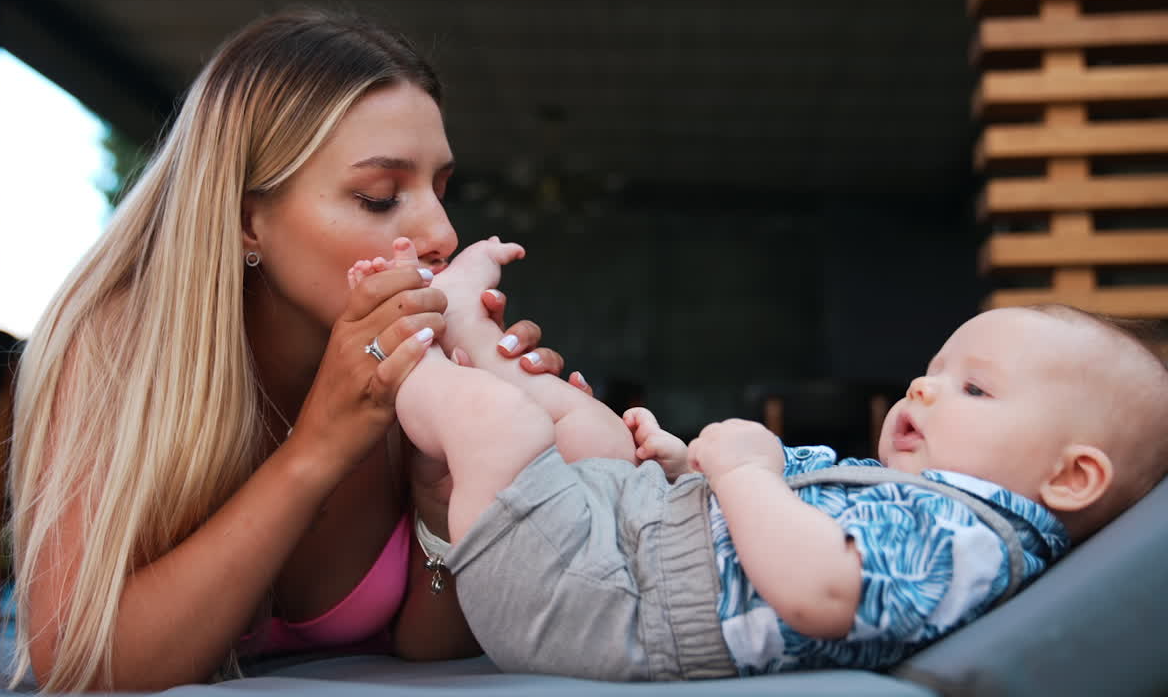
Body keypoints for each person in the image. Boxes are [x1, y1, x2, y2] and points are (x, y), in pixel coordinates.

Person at [7, 9, 591, 693]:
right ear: (247, 220)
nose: (441, 232)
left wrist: (451, 495)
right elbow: (88, 669)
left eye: (440, 188)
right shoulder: (113, 351)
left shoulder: (421, 372)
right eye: (380, 196)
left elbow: (434, 653)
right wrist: (319, 447)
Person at [383, 247, 1168, 681]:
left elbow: (820, 590)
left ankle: (392, 358)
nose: (923, 387)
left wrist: (744, 473)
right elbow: (755, 506)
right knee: (595, 435)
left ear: (1071, 478)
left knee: (496, 424)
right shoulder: (908, 498)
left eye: (973, 387)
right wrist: (685, 459)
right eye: (931, 369)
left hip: (601, 609)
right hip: (628, 554)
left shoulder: (969, 542)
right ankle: (462, 329)